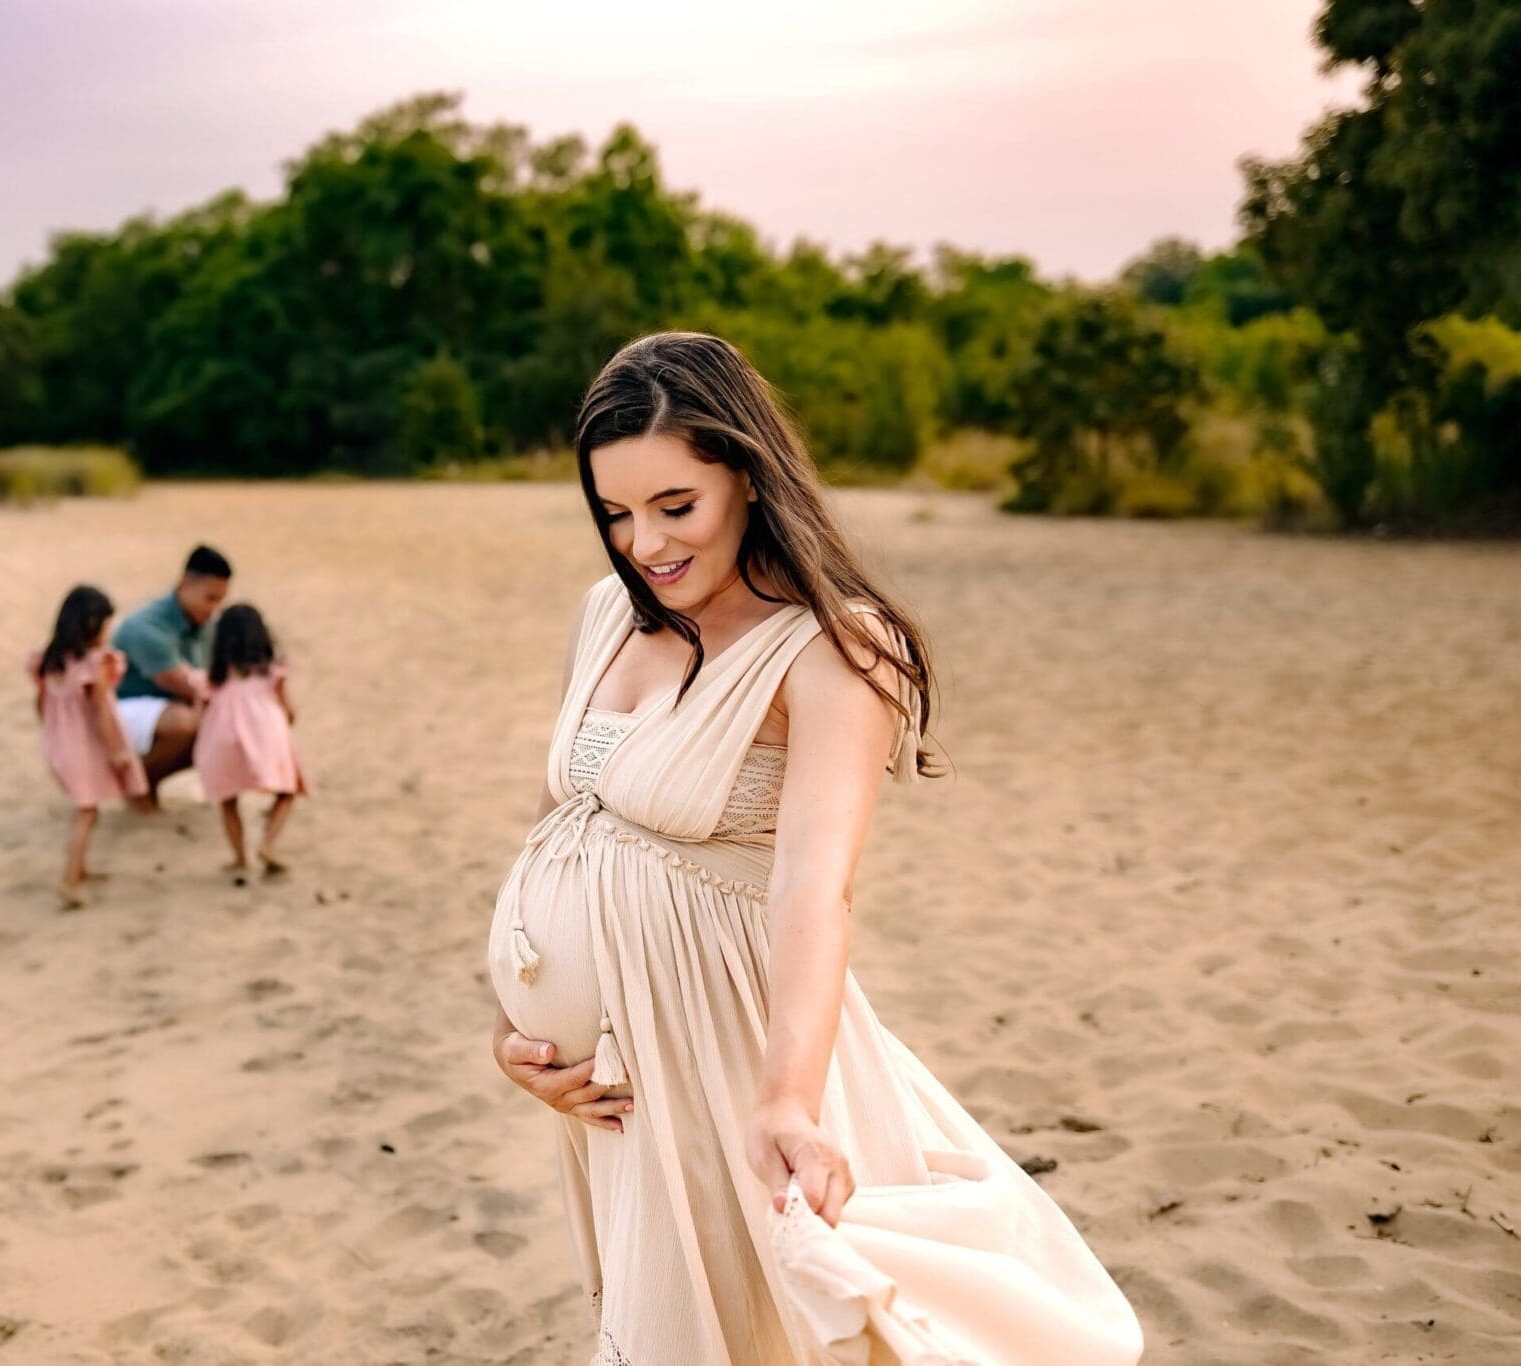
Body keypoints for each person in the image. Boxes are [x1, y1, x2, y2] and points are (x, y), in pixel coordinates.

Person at [485, 333, 1143, 1364]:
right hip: (614, 1089)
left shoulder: (834, 647)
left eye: (673, 505)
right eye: (613, 512)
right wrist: (514, 1033)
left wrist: (785, 1095)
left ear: (744, 474)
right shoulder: (603, 614)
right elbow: (555, 823)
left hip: (729, 1052)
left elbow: (811, 885)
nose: (642, 543)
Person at [28, 585, 147, 909]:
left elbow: (40, 704)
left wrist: (52, 732)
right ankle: (69, 880)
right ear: (92, 624)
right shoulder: (92, 664)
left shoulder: (51, 662)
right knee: (87, 812)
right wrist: (116, 751)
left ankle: (80, 868)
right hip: (82, 746)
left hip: (58, 745)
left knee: (86, 808)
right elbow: (101, 711)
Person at [193, 603, 309, 881]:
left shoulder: (215, 676)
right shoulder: (271, 669)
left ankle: (240, 858)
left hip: (224, 738)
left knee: (228, 798)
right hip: (267, 730)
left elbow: (202, 711)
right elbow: (286, 707)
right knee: (287, 788)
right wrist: (289, 719)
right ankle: (268, 844)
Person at [113, 545, 231, 804]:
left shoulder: (205, 622)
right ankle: (137, 785)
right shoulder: (147, 628)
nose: (215, 608)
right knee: (188, 723)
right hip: (115, 713)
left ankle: (148, 781)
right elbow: (189, 686)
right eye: (210, 598)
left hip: (164, 708)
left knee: (231, 725)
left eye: (221, 600)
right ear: (184, 584)